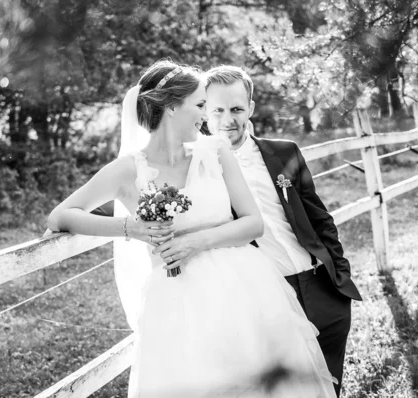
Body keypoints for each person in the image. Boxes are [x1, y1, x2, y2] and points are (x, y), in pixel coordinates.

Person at [47, 60, 336, 397]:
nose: (205, 115)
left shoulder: (215, 153)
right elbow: (61, 215)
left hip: (244, 292)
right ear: (171, 106)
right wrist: (131, 227)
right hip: (177, 305)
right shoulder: (128, 170)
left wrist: (196, 242)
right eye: (200, 105)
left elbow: (253, 223)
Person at [204, 65, 363, 397]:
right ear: (204, 111)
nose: (227, 119)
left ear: (250, 106)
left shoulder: (284, 151)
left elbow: (319, 217)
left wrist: (338, 269)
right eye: (217, 110)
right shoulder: (201, 172)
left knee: (331, 388)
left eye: (236, 108)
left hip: (323, 287)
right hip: (269, 297)